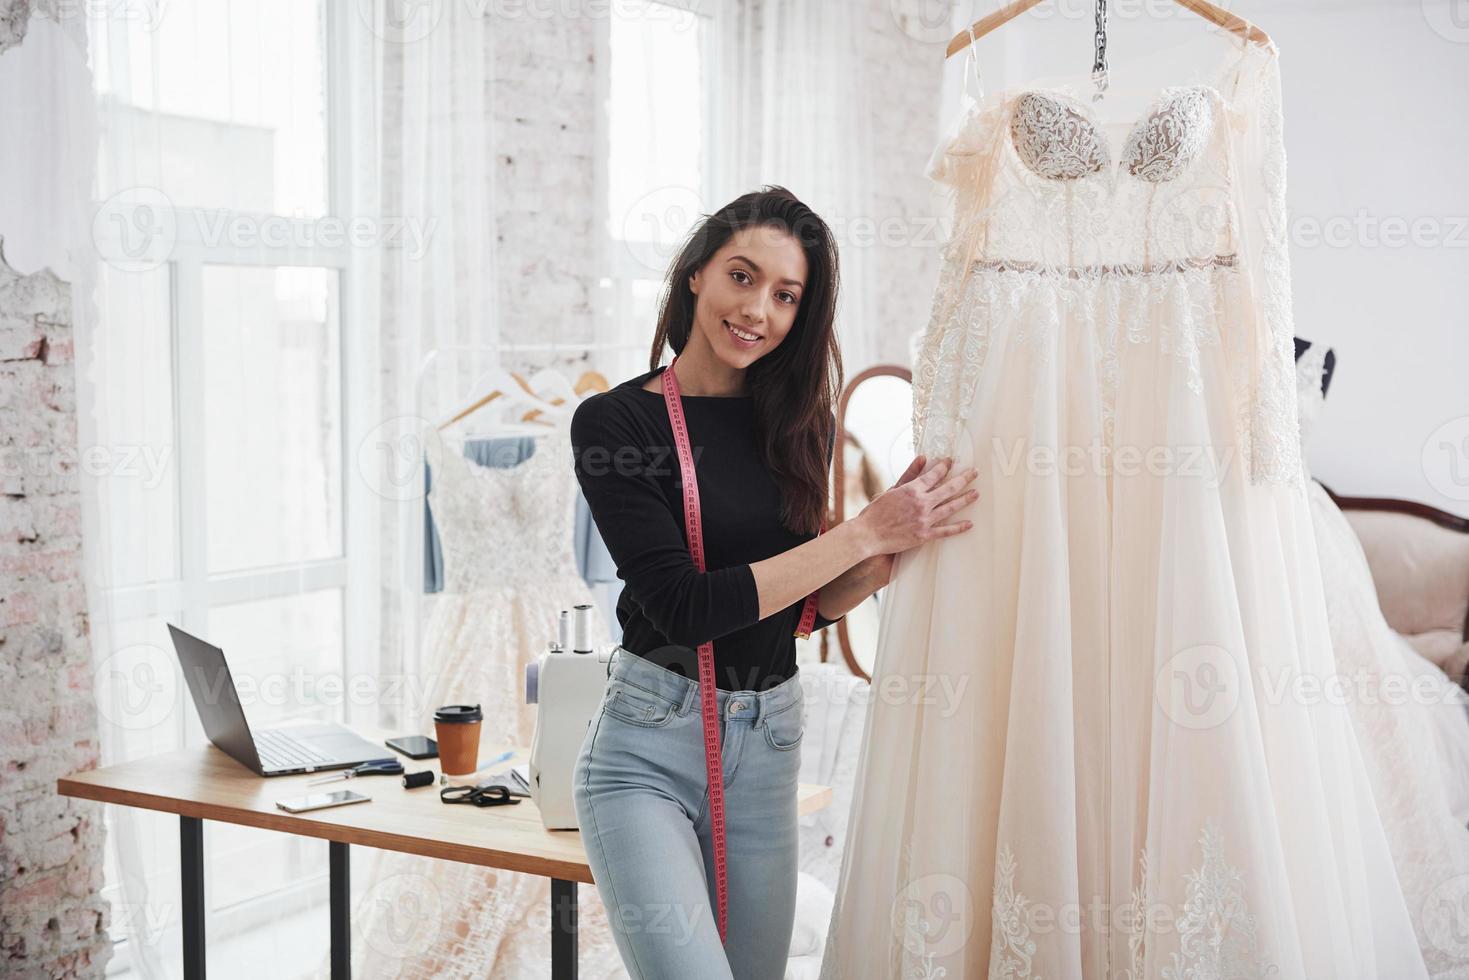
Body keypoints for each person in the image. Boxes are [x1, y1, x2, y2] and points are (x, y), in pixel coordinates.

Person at [569, 185, 978, 979]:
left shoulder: (800, 423)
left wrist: (877, 564)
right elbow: (684, 609)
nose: (757, 309)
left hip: (769, 746)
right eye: (742, 276)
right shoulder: (616, 425)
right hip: (647, 752)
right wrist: (862, 531)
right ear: (696, 273)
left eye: (785, 295)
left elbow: (795, 612)